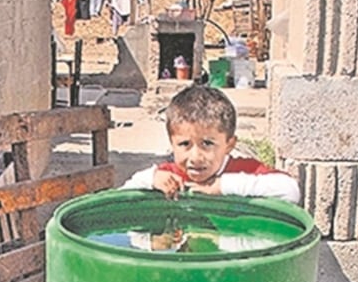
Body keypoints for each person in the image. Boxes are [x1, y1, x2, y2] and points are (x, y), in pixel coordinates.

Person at [121, 85, 301, 202]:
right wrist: (151, 179)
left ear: (229, 145)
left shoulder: (242, 171)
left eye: (207, 143)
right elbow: (122, 197)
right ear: (172, 143)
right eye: (184, 144)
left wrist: (221, 186)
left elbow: (290, 191)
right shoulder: (172, 176)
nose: (195, 157)